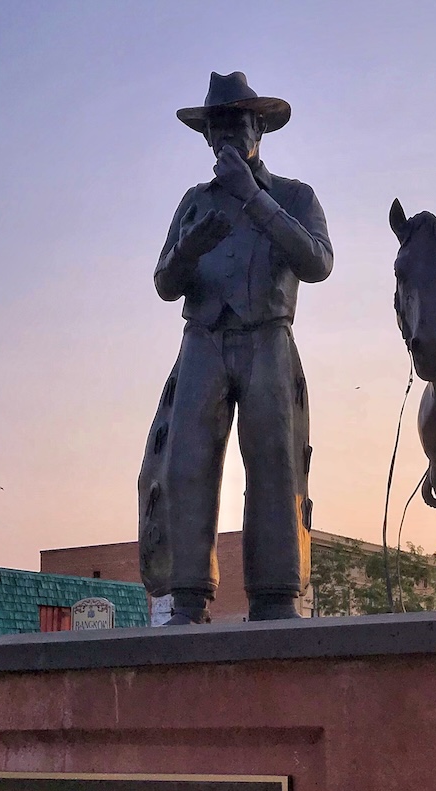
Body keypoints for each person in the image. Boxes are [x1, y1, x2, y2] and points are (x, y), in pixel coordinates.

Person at [139, 72, 333, 624]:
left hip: (268, 337)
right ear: (206, 138)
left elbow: (318, 262)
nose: (226, 136)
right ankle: (188, 595)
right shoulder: (193, 202)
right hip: (201, 338)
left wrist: (254, 199)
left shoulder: (295, 195)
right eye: (217, 127)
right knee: (186, 462)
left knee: (275, 460)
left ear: (260, 129)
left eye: (238, 123)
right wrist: (186, 248)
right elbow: (163, 282)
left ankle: (275, 596)